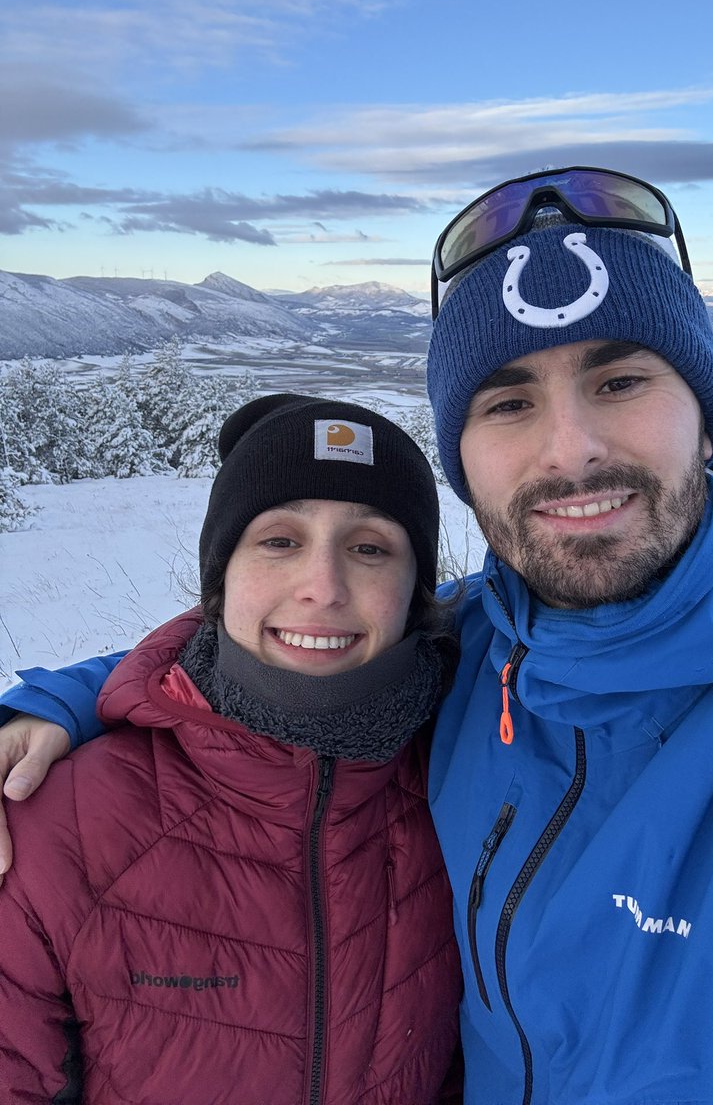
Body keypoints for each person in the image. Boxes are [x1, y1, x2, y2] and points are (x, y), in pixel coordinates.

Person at [3, 165, 713, 1105]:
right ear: (463, 461)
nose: (569, 449)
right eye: (509, 402)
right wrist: (59, 702)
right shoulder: (475, 648)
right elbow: (280, 659)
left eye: (622, 378)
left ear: (707, 416)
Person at [0, 392, 462, 1103]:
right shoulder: (57, 824)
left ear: (416, 593)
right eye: (279, 541)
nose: (323, 589)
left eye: (370, 548)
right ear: (220, 581)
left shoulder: (472, 780)